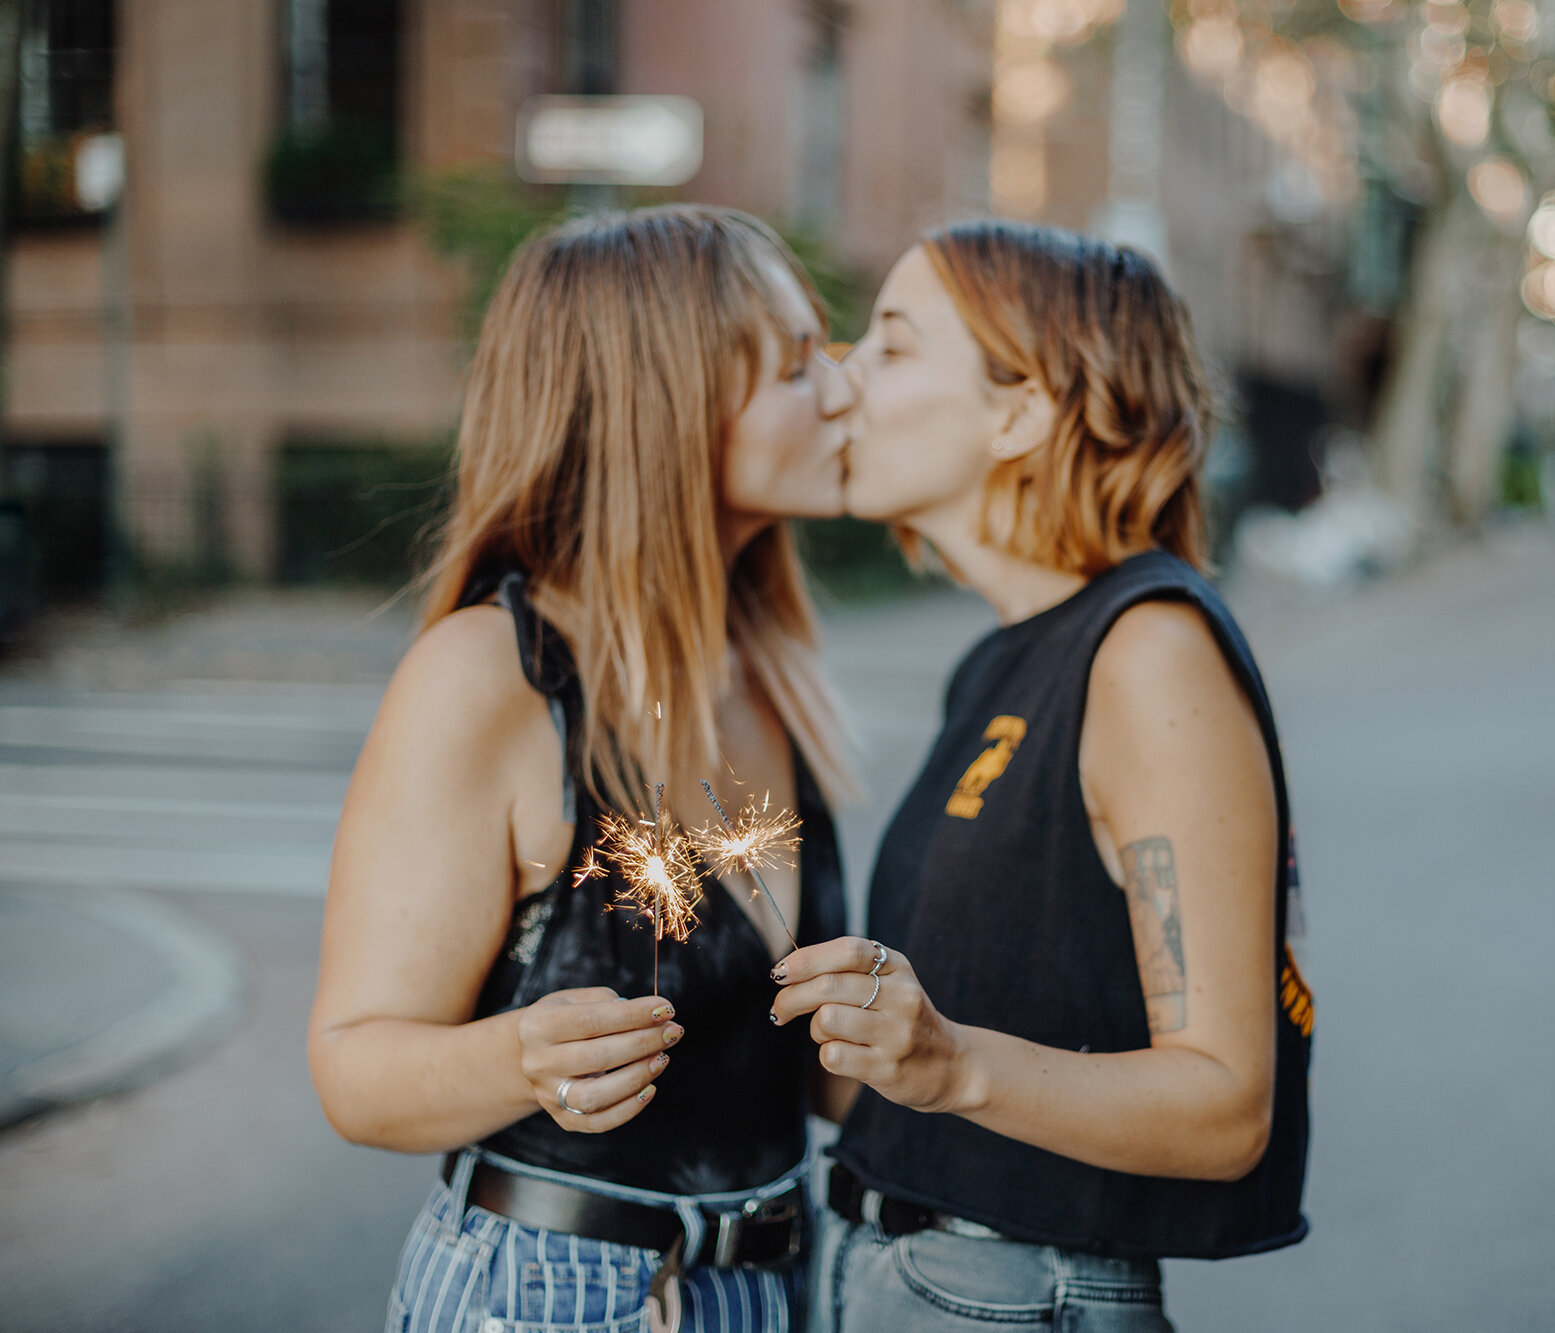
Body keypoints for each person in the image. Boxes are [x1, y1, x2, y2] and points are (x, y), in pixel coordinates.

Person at [308, 205, 857, 1333]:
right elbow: (354, 1069)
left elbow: (817, 1079)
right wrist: (521, 1054)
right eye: (799, 365)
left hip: (771, 1282)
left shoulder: (765, 670)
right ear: (672, 401)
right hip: (560, 1295)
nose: (841, 393)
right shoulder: (490, 675)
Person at [774, 220, 1313, 1331]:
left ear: (1019, 411)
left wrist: (949, 1062)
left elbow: (1224, 1106)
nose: (839, 377)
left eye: (891, 345)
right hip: (891, 1271)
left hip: (1016, 1296)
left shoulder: (1147, 652)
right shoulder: (1002, 656)